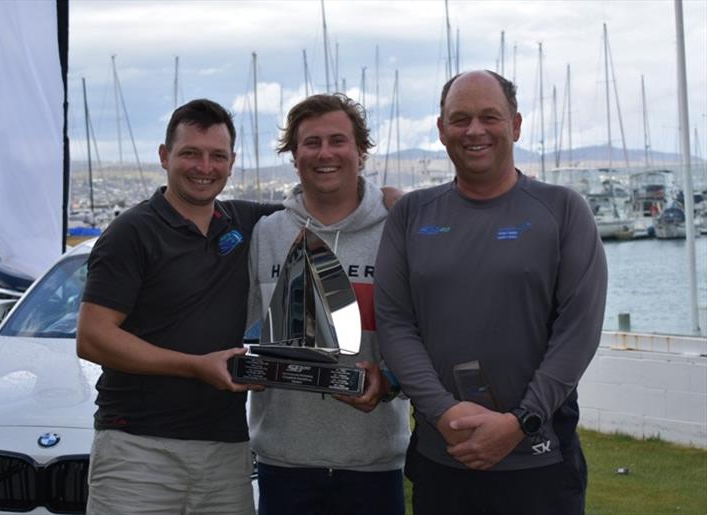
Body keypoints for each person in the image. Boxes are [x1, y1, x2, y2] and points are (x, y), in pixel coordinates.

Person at [374, 70, 608, 515]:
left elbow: (577, 333)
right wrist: (444, 414)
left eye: (489, 117)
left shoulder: (563, 210)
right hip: (442, 457)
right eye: (460, 119)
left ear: (515, 125)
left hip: (541, 460)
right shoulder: (410, 215)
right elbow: (395, 324)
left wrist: (520, 423)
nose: (474, 130)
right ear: (442, 130)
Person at [76, 99, 280, 515]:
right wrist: (195, 365)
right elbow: (93, 337)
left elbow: (320, 209)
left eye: (217, 156)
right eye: (190, 153)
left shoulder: (244, 220)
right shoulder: (131, 232)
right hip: (139, 449)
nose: (204, 166)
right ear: (165, 156)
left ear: (231, 162)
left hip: (225, 450)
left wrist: (383, 197)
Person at [247, 93, 411, 515]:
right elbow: (251, 333)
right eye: (311, 143)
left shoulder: (399, 228)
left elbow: (424, 337)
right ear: (293, 155)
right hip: (284, 464)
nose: (325, 154)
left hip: (374, 465)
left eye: (338, 141)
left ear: (361, 151)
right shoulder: (267, 234)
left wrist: (390, 380)